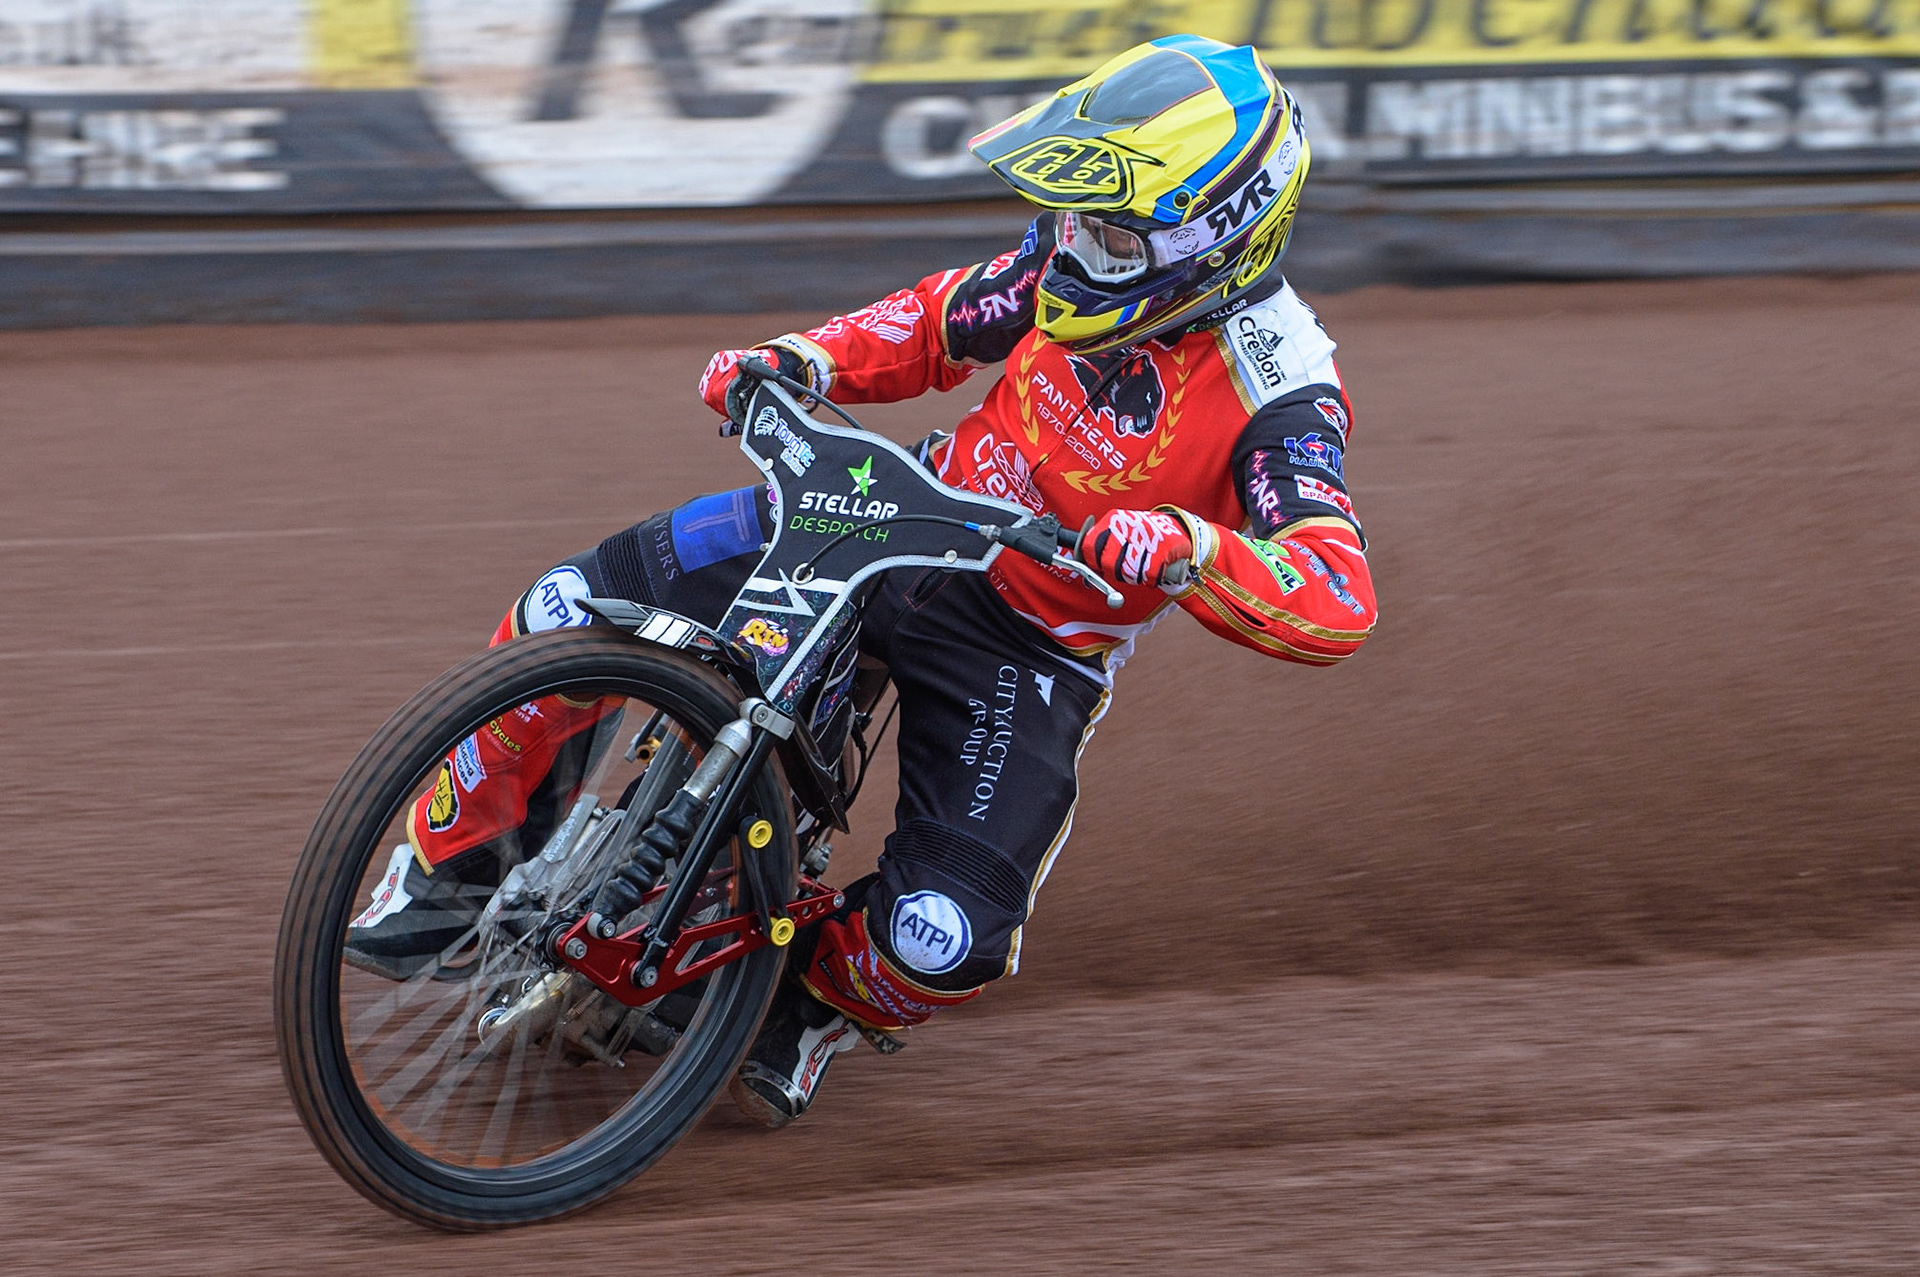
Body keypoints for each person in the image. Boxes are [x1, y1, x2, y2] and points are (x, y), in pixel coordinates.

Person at [343, 33, 1377, 1128]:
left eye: (1114, 234)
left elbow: (1335, 590)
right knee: (561, 612)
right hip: (898, 511)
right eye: (1077, 222)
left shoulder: (1284, 385)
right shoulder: (1076, 263)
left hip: (1030, 633)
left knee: (945, 935)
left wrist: (1189, 547)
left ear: (1216, 240)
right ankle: (453, 862)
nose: (1073, 251)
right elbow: (943, 319)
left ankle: (800, 998)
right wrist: (805, 359)